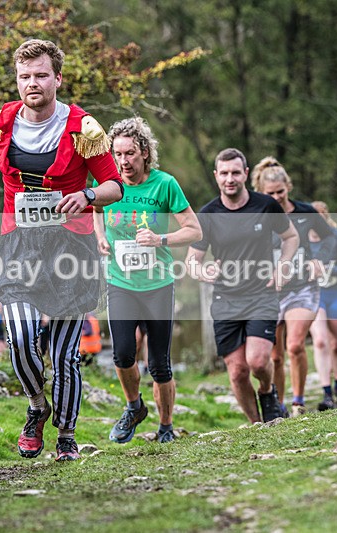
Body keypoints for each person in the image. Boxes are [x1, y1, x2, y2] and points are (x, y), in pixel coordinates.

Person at [0, 39, 123, 461]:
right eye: (24, 76)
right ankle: (36, 406)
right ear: (17, 80)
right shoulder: (0, 122)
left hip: (72, 249)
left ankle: (66, 434)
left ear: (57, 79)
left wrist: (87, 196)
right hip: (20, 246)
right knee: (20, 337)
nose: (32, 83)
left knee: (66, 355)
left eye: (41, 75)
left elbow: (114, 186)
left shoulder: (84, 128)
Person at [94, 117, 202, 444]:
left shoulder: (164, 184)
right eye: (117, 154)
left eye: (130, 154)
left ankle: (166, 426)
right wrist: (100, 237)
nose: (123, 161)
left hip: (157, 285)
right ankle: (133, 407)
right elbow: (96, 210)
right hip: (120, 282)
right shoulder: (110, 184)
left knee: (159, 364)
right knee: (123, 354)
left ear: (144, 152)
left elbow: (195, 230)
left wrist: (161, 240)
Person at [186, 148, 299, 424]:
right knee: (237, 371)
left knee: (259, 362)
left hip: (261, 293)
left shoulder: (265, 205)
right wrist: (203, 271)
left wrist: (283, 264)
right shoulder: (208, 214)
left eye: (236, 172)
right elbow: (192, 260)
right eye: (224, 173)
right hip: (226, 298)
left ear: (246, 174)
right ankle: (256, 424)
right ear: (216, 176)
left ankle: (268, 391)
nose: (230, 179)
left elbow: (291, 236)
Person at [251, 157, 336, 417]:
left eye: (280, 192)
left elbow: (331, 237)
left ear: (288, 187)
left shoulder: (306, 212)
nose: (276, 197)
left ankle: (299, 402)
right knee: (274, 356)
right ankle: (279, 404)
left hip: (303, 287)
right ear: (260, 192)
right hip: (269, 291)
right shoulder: (257, 216)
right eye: (270, 194)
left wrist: (319, 260)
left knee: (295, 345)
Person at [308, 201, 337, 410]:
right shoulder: (301, 240)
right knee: (319, 341)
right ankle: (326, 394)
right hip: (315, 295)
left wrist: (329, 269)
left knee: (336, 343)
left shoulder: (336, 237)